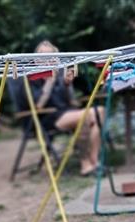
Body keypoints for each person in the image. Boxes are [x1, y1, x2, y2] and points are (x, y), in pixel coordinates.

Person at [32, 40, 105, 176]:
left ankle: (94, 161)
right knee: (86, 116)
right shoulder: (33, 78)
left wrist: (68, 84)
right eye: (42, 56)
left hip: (68, 112)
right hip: (49, 117)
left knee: (99, 111)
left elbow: (72, 102)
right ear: (36, 60)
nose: (47, 59)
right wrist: (49, 82)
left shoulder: (60, 73)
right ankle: (85, 164)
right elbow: (38, 106)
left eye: (50, 56)